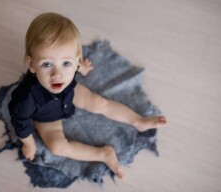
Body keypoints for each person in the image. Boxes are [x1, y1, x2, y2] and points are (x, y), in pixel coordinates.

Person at [9, 12, 167, 179]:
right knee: (57, 147)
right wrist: (29, 145)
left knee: (99, 103)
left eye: (67, 63)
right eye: (47, 64)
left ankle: (138, 121)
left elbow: (69, 62)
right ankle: (103, 154)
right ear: (31, 64)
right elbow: (21, 124)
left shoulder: (68, 70)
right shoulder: (24, 100)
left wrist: (80, 67)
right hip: (46, 116)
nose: (58, 74)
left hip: (69, 92)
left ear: (76, 60)